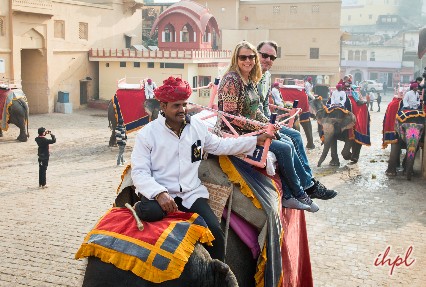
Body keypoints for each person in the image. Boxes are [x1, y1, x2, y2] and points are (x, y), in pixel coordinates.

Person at [131, 76, 274, 262]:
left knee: (216, 233)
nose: (182, 110)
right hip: (161, 194)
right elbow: (139, 172)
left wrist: (254, 140)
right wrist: (159, 193)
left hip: (190, 194)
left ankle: (220, 275)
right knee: (151, 213)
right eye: (176, 106)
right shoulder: (147, 134)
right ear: (163, 106)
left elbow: (220, 146)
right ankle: (141, 205)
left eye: (184, 104)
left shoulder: (196, 127)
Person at [217, 40, 320, 212]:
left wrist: (269, 124)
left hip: (250, 127)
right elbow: (231, 116)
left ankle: (290, 194)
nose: (248, 61)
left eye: (251, 57)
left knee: (288, 140)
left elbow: (254, 109)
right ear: (236, 58)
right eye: (243, 57)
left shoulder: (249, 78)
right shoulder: (231, 80)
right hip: (234, 131)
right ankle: (297, 193)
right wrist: (261, 128)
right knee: (284, 149)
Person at [256, 40, 337, 202]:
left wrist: (271, 122)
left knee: (296, 135)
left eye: (272, 58)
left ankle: (309, 182)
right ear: (256, 55)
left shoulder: (267, 76)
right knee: (287, 142)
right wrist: (268, 124)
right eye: (264, 56)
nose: (268, 60)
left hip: (266, 121)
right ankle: (307, 186)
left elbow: (264, 104)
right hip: (256, 124)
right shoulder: (251, 75)